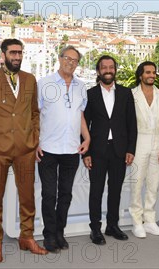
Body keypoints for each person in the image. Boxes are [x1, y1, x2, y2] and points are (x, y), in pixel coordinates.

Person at [0, 38, 48, 263]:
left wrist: (34, 137)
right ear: (3, 54)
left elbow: (34, 112)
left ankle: (27, 237)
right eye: (13, 53)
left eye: (20, 53)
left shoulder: (30, 79)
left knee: (27, 197)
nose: (17, 57)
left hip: (26, 149)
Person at [36, 45, 91, 252]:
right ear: (59, 59)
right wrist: (35, 143)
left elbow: (81, 116)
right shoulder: (44, 84)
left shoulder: (81, 87)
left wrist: (87, 138)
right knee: (49, 194)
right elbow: (35, 116)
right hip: (47, 149)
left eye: (75, 60)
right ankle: (49, 235)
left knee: (66, 195)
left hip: (72, 149)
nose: (71, 62)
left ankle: (60, 232)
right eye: (67, 58)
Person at [83, 55, 137, 245]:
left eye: (111, 67)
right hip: (97, 150)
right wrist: (86, 153)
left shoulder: (125, 93)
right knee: (96, 191)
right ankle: (95, 229)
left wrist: (131, 149)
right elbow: (83, 125)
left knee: (116, 190)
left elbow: (132, 123)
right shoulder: (90, 94)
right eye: (104, 67)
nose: (108, 70)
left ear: (115, 70)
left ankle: (112, 225)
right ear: (98, 71)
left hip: (119, 150)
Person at [128, 61, 159, 238]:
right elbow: (128, 124)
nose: (151, 75)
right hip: (139, 141)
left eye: (154, 72)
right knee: (136, 182)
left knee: (154, 183)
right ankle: (137, 222)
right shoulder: (132, 95)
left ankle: (150, 220)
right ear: (141, 75)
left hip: (158, 142)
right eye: (148, 72)